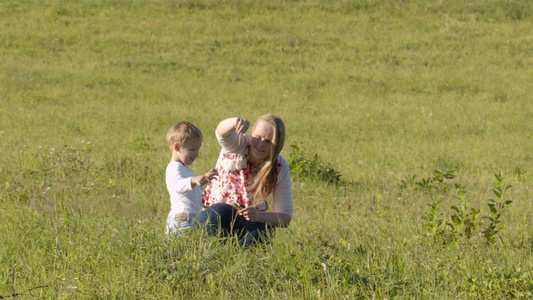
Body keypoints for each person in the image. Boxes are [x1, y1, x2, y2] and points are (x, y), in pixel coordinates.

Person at [198, 114, 293, 247]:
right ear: (252, 133)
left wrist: (257, 216)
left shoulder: (279, 166)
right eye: (258, 137)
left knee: (264, 230)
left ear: (277, 145)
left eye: (268, 141)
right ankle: (207, 248)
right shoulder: (239, 144)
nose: (261, 144)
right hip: (217, 215)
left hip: (248, 221)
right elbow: (221, 133)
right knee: (220, 211)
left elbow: (285, 218)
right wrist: (235, 122)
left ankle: (238, 258)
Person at [165, 121, 218, 236]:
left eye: (198, 150)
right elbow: (177, 185)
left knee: (190, 250)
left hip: (190, 218)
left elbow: (190, 190)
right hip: (182, 220)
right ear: (177, 147)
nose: (197, 154)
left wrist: (203, 180)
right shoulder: (174, 167)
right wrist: (193, 180)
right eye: (192, 149)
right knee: (184, 250)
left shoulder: (183, 168)